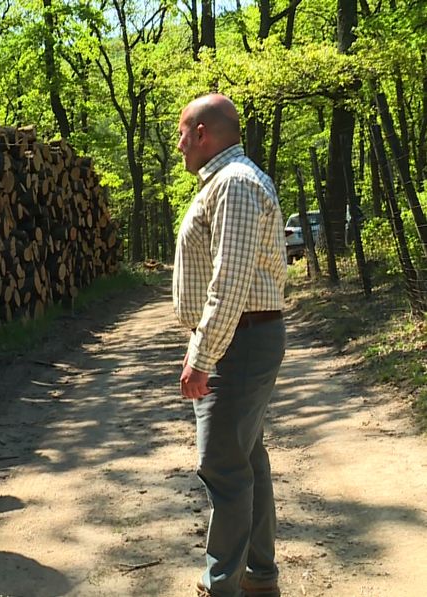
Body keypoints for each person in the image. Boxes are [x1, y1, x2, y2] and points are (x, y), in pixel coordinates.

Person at [173, 94, 287, 597]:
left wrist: (202, 356)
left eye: (181, 133)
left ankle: (222, 586)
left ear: (202, 133)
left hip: (238, 342)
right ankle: (259, 576)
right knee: (246, 458)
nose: (177, 146)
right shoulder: (227, 182)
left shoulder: (234, 183)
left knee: (221, 466)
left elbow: (230, 281)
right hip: (239, 338)